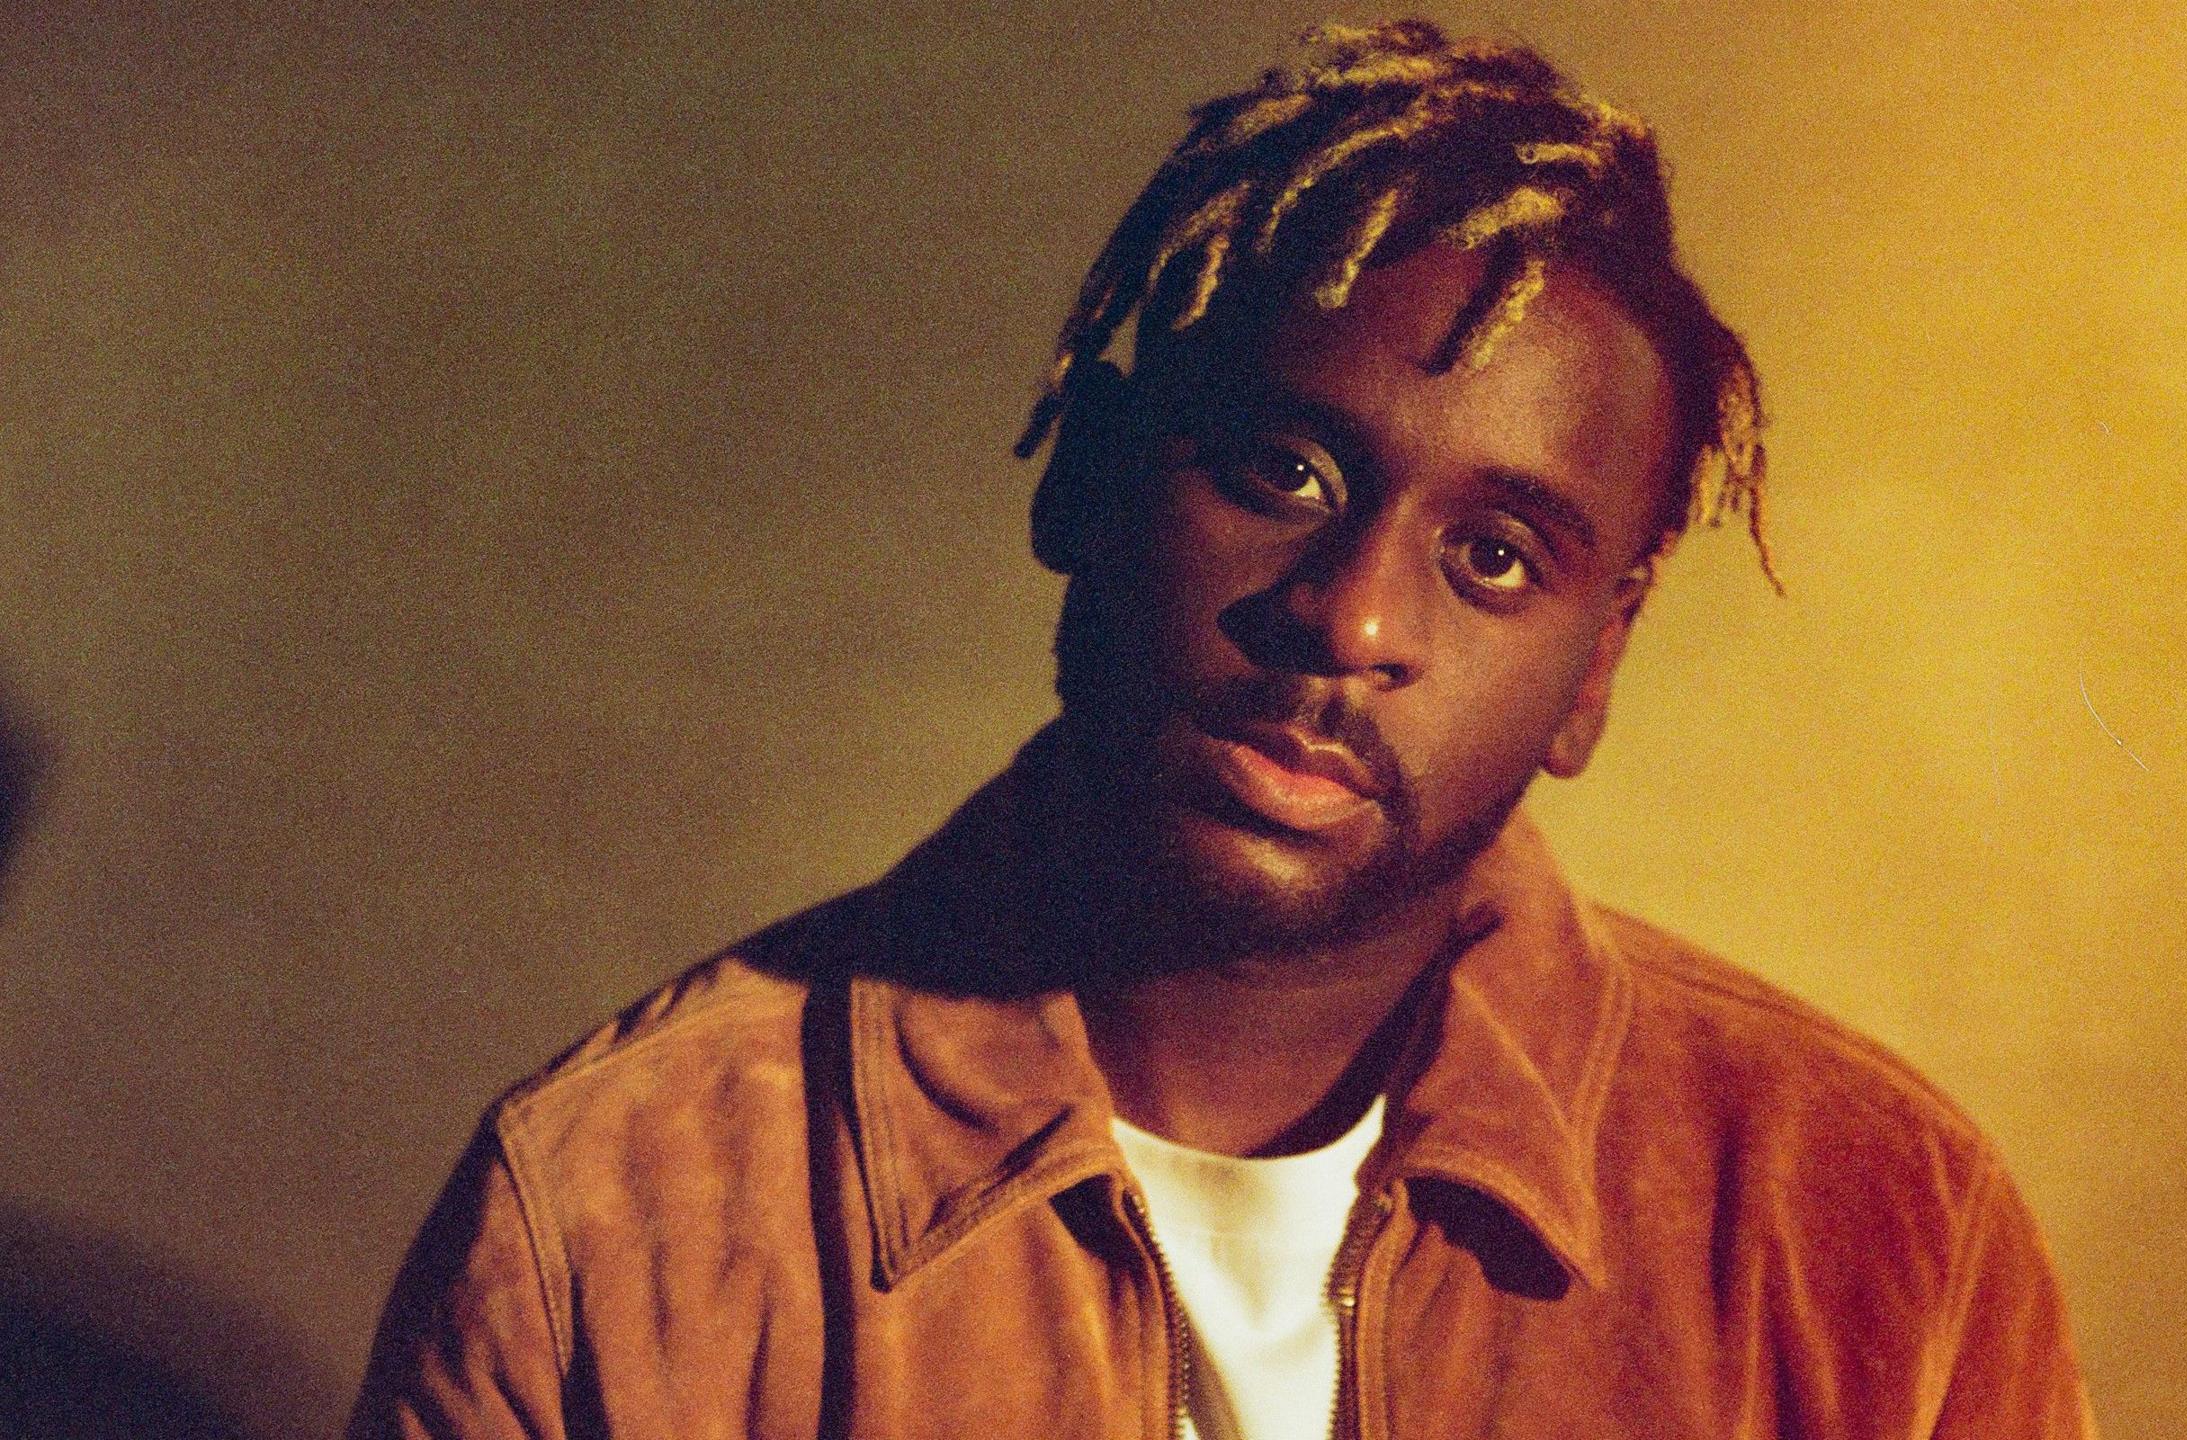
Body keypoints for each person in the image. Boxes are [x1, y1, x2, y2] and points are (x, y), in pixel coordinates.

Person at [351, 20, 2097, 1439]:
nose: (1347, 621)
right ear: (1091, 473)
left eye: (1494, 557)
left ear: (1594, 669)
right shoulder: (616, 1210)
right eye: (1286, 470)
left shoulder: (1871, 1225)